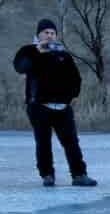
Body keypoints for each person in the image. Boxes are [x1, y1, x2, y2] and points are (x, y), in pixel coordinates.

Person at [12, 18, 96, 188]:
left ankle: (79, 175)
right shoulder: (28, 51)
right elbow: (20, 67)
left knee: (71, 142)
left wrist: (71, 96)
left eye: (52, 33)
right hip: (39, 106)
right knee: (43, 143)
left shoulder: (63, 55)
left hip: (63, 107)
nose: (49, 36)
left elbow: (76, 78)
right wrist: (37, 52)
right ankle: (47, 175)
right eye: (46, 33)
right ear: (39, 34)